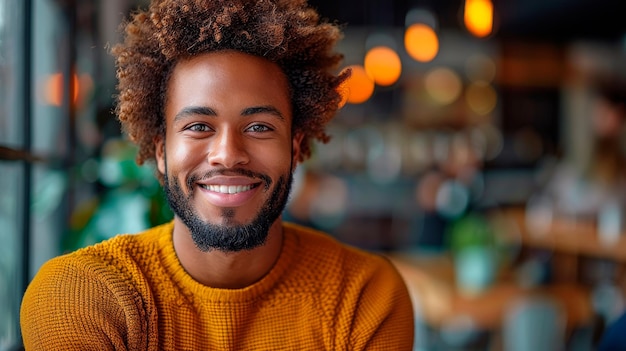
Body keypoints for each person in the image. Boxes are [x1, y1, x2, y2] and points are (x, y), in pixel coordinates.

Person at [20, 0, 415, 350]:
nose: (227, 154)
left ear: (295, 149)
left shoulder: (363, 295)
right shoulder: (83, 294)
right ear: (161, 151)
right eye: (198, 127)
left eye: (259, 127)